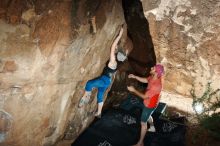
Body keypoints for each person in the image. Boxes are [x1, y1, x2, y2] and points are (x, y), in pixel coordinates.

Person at [78, 26, 127, 118]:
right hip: (107, 81)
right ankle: (99, 112)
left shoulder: (113, 61)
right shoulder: (117, 64)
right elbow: (115, 50)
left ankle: (85, 97)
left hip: (104, 80)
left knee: (89, 84)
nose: (116, 49)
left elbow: (112, 47)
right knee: (100, 95)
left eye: (117, 50)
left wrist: (119, 36)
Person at [127, 64, 164, 146]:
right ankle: (152, 127)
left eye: (153, 68)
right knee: (148, 116)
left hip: (149, 105)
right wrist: (135, 76)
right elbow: (146, 80)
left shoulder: (156, 85)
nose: (151, 68)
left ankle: (140, 143)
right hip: (150, 103)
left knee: (143, 123)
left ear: (157, 72)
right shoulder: (153, 76)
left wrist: (133, 90)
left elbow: (145, 96)